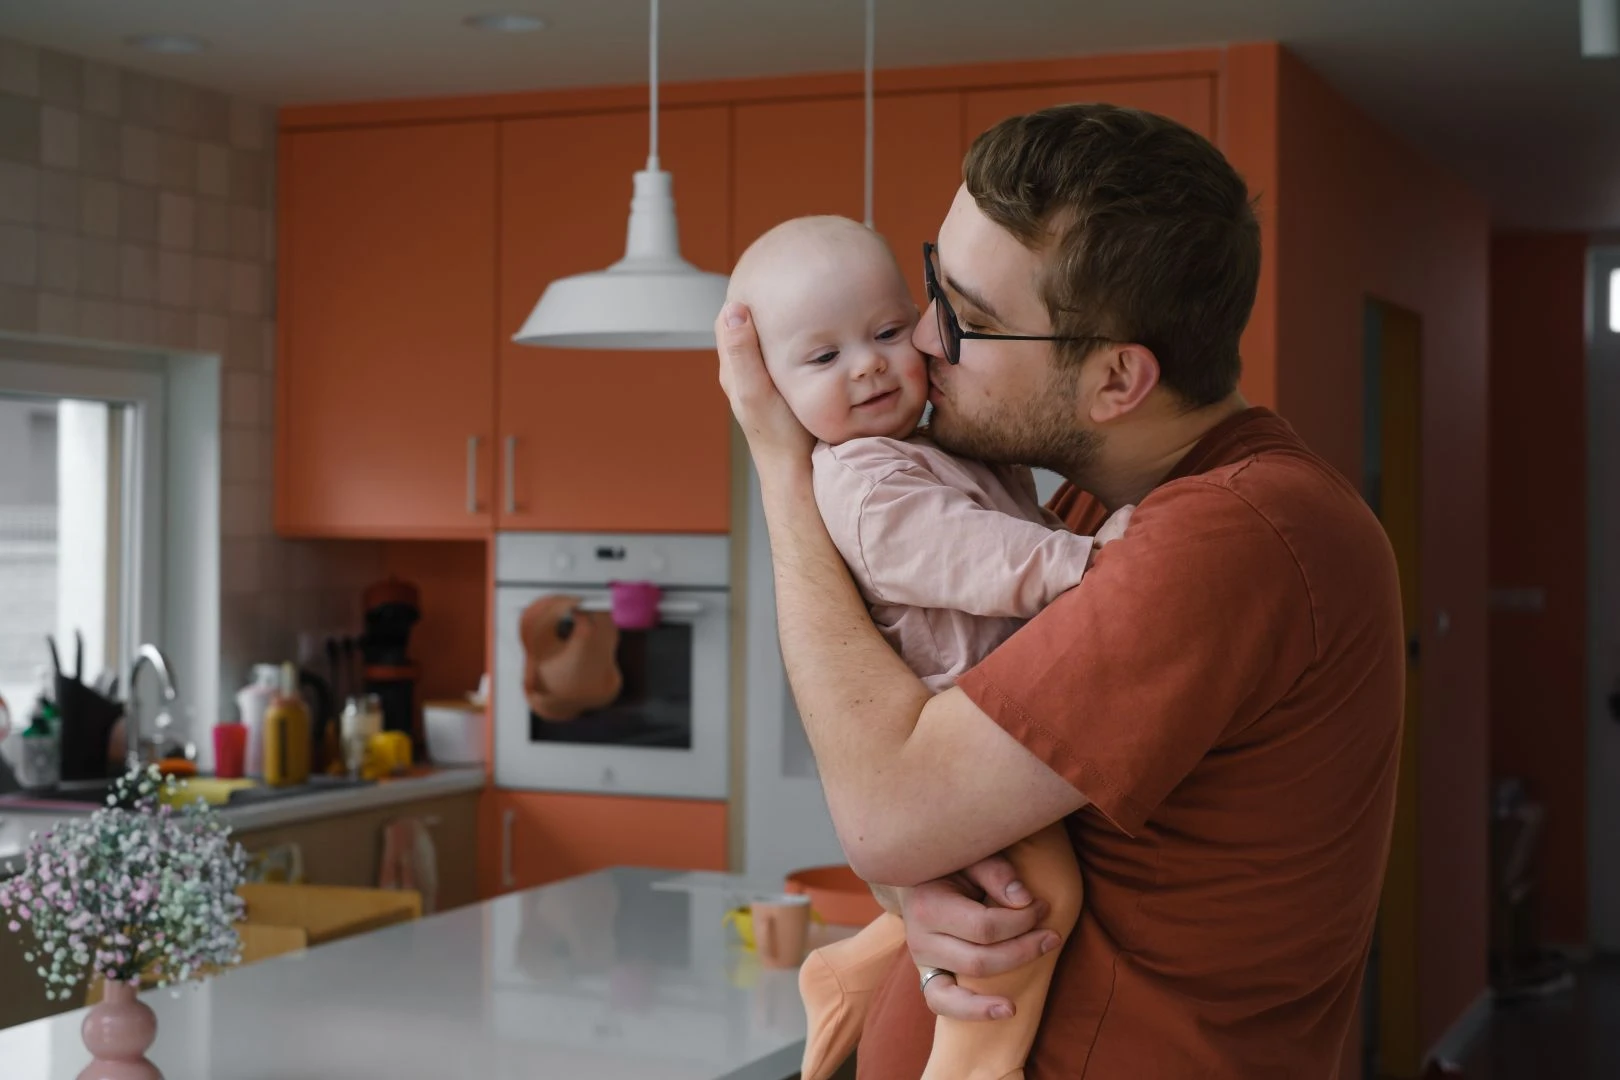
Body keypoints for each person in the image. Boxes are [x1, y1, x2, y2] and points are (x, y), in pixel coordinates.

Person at [717, 102, 1405, 1078]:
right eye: (931, 288)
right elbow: (934, 812)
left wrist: (784, 471)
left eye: (971, 318)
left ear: (1119, 379)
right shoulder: (1087, 512)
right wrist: (916, 893)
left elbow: (889, 812)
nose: (922, 337)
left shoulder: (1227, 540)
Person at [726, 214, 1130, 1080]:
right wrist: (1086, 562)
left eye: (884, 332)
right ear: (775, 396)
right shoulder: (864, 477)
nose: (868, 364)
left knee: (982, 899)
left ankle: (854, 969)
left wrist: (1068, 539)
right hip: (955, 726)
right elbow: (965, 554)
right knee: (1036, 900)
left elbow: (1013, 528)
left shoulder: (941, 444)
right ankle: (973, 1070)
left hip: (984, 724)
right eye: (823, 358)